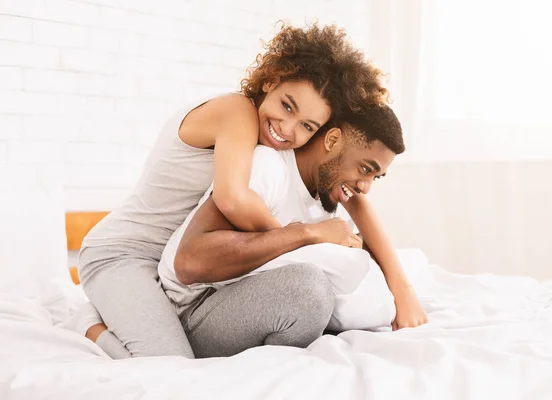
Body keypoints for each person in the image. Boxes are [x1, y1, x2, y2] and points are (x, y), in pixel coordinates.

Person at [66, 23, 391, 359]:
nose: (287, 128)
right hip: (123, 254)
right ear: (270, 81)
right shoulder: (237, 112)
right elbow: (232, 198)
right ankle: (90, 327)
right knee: (169, 364)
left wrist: (399, 284)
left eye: (307, 125)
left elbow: (356, 199)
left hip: (169, 275)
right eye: (287, 106)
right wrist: (304, 237)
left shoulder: (272, 142)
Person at [157, 104, 428, 358]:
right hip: (193, 311)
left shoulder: (334, 195)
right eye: (365, 169)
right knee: (308, 290)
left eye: (375, 177)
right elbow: (192, 261)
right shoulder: (270, 167)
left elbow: (364, 260)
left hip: (249, 303)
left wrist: (402, 289)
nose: (366, 187)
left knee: (394, 268)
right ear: (332, 141)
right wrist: (307, 234)